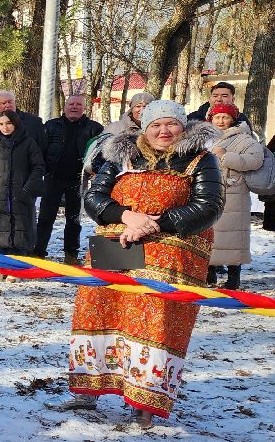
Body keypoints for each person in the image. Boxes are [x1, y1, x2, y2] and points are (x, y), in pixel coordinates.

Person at [66, 101, 223, 425]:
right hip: (116, 243)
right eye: (155, 125)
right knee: (97, 308)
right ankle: (88, 388)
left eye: (171, 124)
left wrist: (154, 223)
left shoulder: (202, 159)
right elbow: (94, 197)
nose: (163, 131)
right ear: (144, 129)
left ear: (183, 126)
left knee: (154, 319)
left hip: (169, 250)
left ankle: (144, 400)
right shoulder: (121, 156)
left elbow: (209, 206)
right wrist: (128, 216)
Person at [36, 94, 104, 262]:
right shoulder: (51, 126)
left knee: (74, 220)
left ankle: (71, 255)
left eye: (78, 104)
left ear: (84, 108)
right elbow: (40, 150)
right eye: (71, 104)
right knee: (45, 218)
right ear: (65, 107)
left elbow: (100, 154)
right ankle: (38, 253)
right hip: (53, 178)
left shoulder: (94, 128)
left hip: (78, 180)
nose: (74, 107)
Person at [0, 109, 46, 262]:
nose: (5, 127)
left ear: (16, 124)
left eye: (8, 123)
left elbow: (38, 167)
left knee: (19, 239)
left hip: (20, 198)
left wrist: (27, 189)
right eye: (1, 124)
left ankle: (16, 268)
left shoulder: (28, 143)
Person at [205, 103, 263, 290]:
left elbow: (256, 160)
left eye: (225, 117)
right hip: (207, 191)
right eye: (217, 117)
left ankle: (233, 278)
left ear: (233, 119)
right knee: (208, 233)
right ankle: (209, 273)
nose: (221, 121)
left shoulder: (244, 138)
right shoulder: (204, 137)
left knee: (233, 238)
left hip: (234, 193)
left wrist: (226, 156)